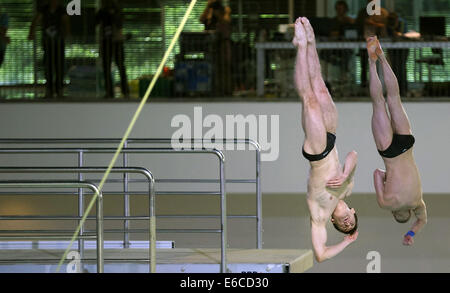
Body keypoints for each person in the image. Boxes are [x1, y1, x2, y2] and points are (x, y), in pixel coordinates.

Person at [293, 17, 358, 262]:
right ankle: (310, 42)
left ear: (334, 222)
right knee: (319, 85)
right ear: (353, 211)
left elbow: (320, 254)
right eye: (351, 221)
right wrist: (346, 172)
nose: (347, 222)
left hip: (317, 153)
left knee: (309, 98)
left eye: (343, 226)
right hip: (331, 136)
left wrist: (346, 241)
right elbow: (353, 155)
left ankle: (299, 46)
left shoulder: (320, 216)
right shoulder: (348, 188)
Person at [367, 36, 427, 246]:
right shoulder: (386, 203)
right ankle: (371, 61)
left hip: (407, 144)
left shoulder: (417, 202)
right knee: (378, 102)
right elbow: (376, 173)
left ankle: (382, 57)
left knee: (395, 97)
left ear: (409, 211)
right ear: (394, 213)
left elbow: (422, 220)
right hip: (389, 154)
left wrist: (411, 234)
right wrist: (388, 177)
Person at [28, 0, 70, 99]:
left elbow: (66, 21)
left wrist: (67, 34)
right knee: (48, 64)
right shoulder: (44, 9)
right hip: (47, 41)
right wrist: (31, 32)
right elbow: (36, 20)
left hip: (59, 41)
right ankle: (49, 90)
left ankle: (59, 90)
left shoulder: (61, 10)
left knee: (59, 65)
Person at [96, 0, 130, 99]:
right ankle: (109, 92)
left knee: (120, 66)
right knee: (106, 67)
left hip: (117, 42)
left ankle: (125, 91)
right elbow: (96, 21)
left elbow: (120, 24)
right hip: (106, 42)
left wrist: (113, 14)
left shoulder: (118, 10)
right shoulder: (102, 11)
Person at [200, 0, 232, 96]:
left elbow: (226, 22)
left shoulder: (225, 11)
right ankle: (212, 89)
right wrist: (208, 7)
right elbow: (202, 20)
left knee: (224, 68)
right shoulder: (209, 12)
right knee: (211, 68)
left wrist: (219, 13)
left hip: (223, 45)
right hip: (210, 45)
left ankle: (226, 90)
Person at [355, 0, 389, 88]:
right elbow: (357, 25)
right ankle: (364, 86)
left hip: (380, 43)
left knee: (381, 64)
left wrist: (374, 23)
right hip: (365, 42)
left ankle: (380, 86)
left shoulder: (383, 12)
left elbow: (387, 26)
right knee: (364, 65)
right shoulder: (362, 13)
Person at [386, 12, 409, 96]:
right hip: (392, 48)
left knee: (401, 68)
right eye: (390, 20)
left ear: (396, 19)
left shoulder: (402, 23)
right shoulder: (387, 24)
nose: (391, 22)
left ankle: (403, 90)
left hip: (403, 48)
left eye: (393, 20)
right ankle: (395, 91)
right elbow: (385, 35)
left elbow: (401, 35)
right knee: (394, 68)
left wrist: (394, 29)